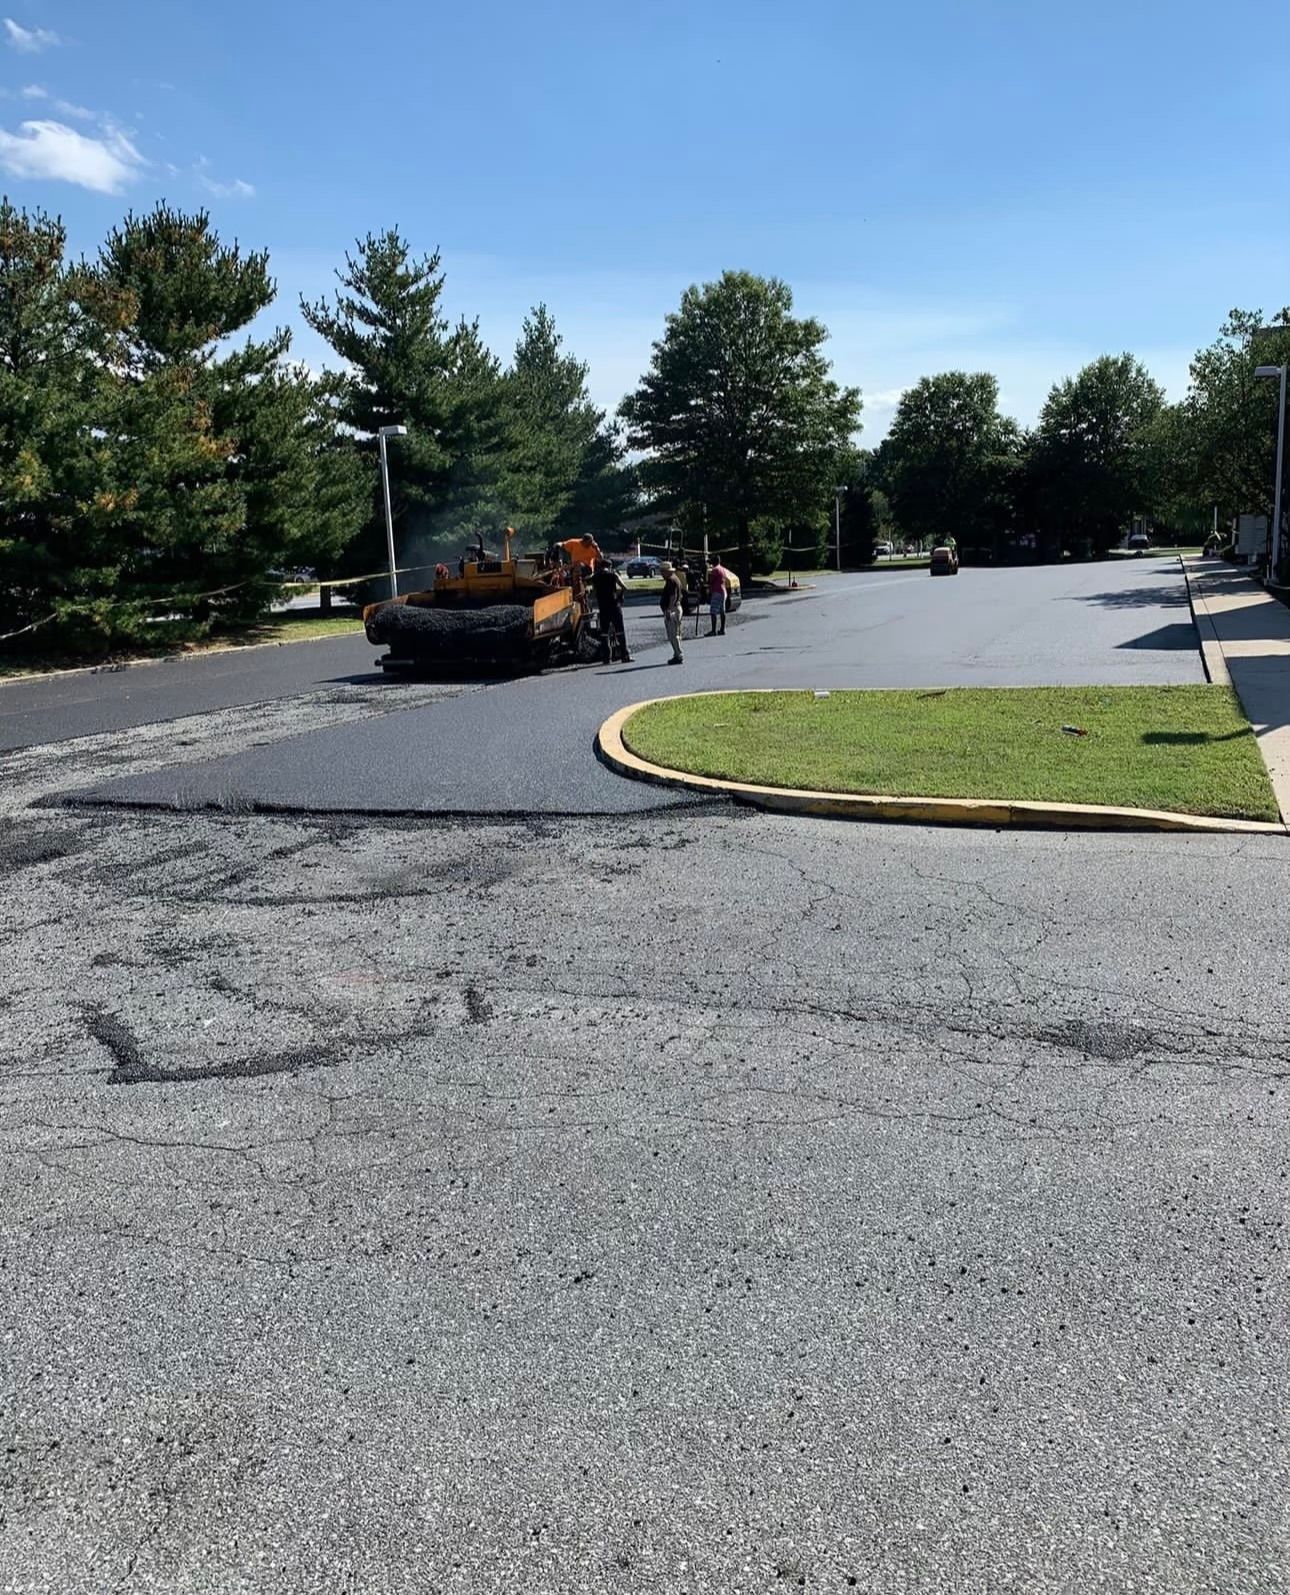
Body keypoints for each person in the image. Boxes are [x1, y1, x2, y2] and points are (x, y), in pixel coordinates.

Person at [591, 558, 632, 663]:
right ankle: (624, 655)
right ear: (610, 567)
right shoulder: (613, 575)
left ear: (600, 566)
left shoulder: (595, 577)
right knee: (620, 631)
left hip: (603, 607)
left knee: (604, 633)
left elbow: (594, 592)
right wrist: (620, 596)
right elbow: (624, 587)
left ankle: (606, 658)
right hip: (614, 606)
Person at [658, 561, 684, 664]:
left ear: (666, 571)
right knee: (676, 632)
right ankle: (677, 653)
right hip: (677, 607)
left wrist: (668, 609)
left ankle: (678, 654)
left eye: (662, 571)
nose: (661, 573)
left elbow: (672, 596)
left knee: (672, 634)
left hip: (672, 609)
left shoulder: (670, 581)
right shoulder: (675, 578)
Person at [707, 555, 730, 636]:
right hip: (723, 591)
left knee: (713, 611)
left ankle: (713, 630)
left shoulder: (715, 570)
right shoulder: (722, 569)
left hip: (717, 591)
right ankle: (722, 629)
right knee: (722, 611)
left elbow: (710, 581)